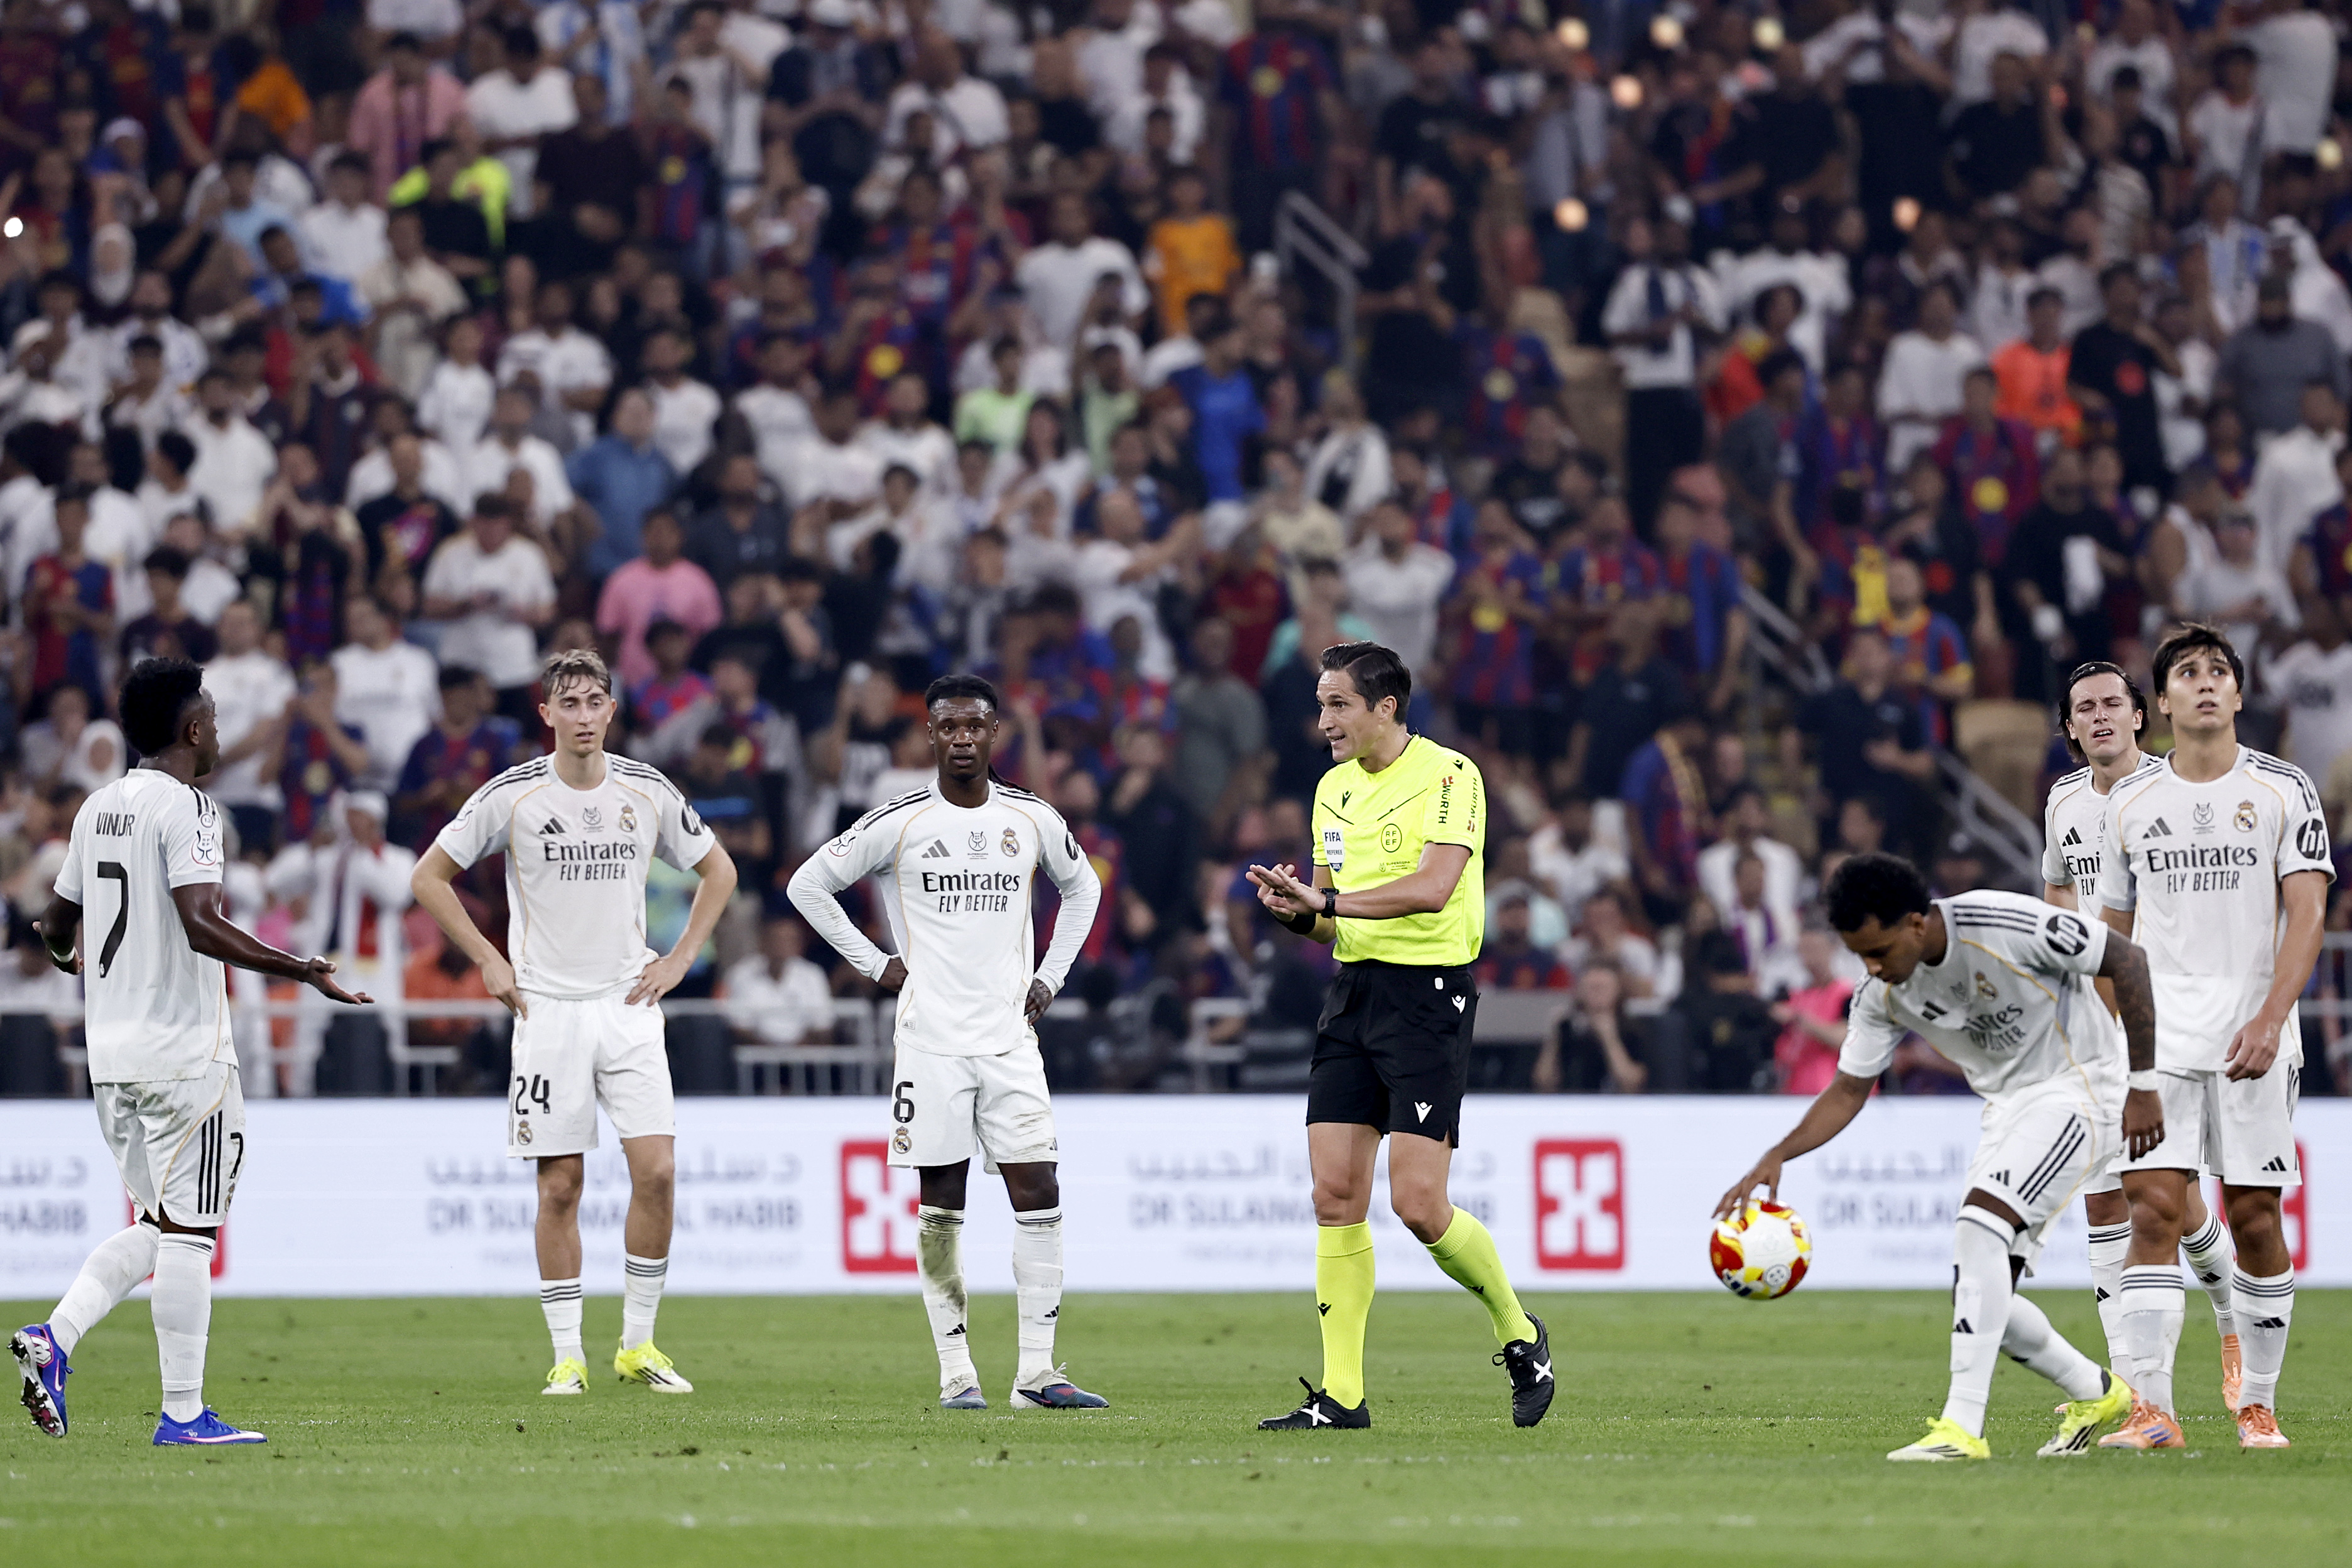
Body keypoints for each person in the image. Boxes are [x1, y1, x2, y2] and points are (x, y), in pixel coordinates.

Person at [12, 658, 371, 1445]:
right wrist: (298, 969)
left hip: (112, 1060)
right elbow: (200, 922)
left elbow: (55, 925)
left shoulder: (94, 809)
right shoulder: (193, 810)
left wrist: (83, 972)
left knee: (161, 1224)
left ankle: (55, 1340)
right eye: (210, 714)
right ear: (195, 729)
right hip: (184, 1054)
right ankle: (182, 1413)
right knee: (191, 1233)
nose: (216, 727)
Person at [1715, 851, 2156, 1461]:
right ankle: (2098, 1392)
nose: (1871, 968)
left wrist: (2147, 1084)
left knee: (1980, 1226)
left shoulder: (2006, 925)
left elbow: (2127, 958)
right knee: (1977, 1291)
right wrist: (1778, 1154)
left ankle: (1961, 1431)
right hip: (2008, 1110)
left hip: (2081, 1086)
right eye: (1859, 956)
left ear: (1917, 924)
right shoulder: (1879, 996)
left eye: (1879, 950)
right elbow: (1849, 1089)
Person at [410, 649, 739, 1398]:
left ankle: (638, 1345)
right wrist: (490, 960)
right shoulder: (513, 796)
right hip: (548, 1011)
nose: (585, 717)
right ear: (547, 714)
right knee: (561, 1187)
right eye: (571, 704)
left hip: (628, 1005)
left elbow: (720, 871)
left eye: (597, 702)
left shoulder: (647, 790)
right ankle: (567, 1356)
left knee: (656, 1172)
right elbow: (428, 877)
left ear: (611, 711)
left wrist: (682, 957)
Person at [1244, 642, 1552, 1432]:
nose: (1325, 723)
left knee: (1419, 1205)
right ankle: (1342, 1395)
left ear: (1386, 708)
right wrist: (1299, 913)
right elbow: (1332, 917)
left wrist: (1331, 902)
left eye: (1339, 705)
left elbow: (1433, 887)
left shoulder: (1452, 775)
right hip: (1354, 995)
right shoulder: (1331, 789)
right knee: (1333, 1196)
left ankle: (1520, 1334)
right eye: (1320, 705)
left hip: (1428, 1000)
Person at [787, 674, 1108, 1412]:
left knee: (1041, 1189)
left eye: (975, 726)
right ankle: (957, 1374)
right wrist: (877, 964)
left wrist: (1050, 978)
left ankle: (1037, 1374)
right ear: (929, 736)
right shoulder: (899, 820)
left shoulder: (1030, 817)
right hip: (930, 1041)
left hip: (1007, 1038)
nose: (962, 738)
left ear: (995, 734)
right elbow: (809, 884)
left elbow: (1083, 887)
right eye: (949, 727)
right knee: (943, 1203)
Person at [2093, 623, 2331, 1451]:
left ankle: (2257, 1404)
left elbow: (2307, 911)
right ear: (2160, 703)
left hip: (2254, 1039)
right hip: (2163, 1039)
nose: (2203, 683)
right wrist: (2129, 1050)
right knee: (2153, 1210)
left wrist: (2271, 1016)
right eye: (2186, 674)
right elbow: (2111, 942)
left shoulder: (2282, 791)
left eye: (2217, 671)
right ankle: (2154, 1412)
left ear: (2236, 694)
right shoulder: (2128, 804)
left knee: (2257, 1216)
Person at [2041, 659, 2238, 1398]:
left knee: (2177, 1206)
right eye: (2082, 708)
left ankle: (2228, 1313)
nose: (2097, 717)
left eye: (2110, 704)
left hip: (2168, 1024)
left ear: (2137, 717)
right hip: (2093, 1029)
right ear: (2069, 728)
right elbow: (2060, 888)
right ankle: (2127, 1391)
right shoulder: (2063, 802)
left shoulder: (2175, 793)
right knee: (2102, 1198)